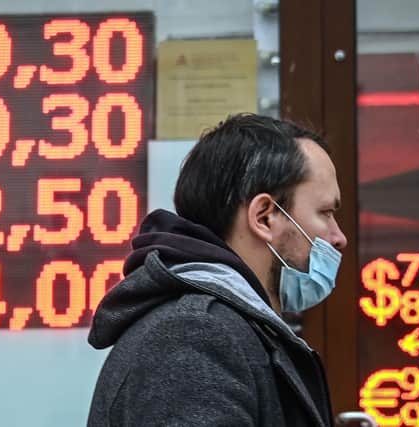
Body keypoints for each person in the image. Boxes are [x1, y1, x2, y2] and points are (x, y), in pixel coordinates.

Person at [86, 113, 347, 426]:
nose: (338, 237)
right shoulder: (194, 336)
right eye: (326, 212)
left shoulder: (220, 329)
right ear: (264, 217)